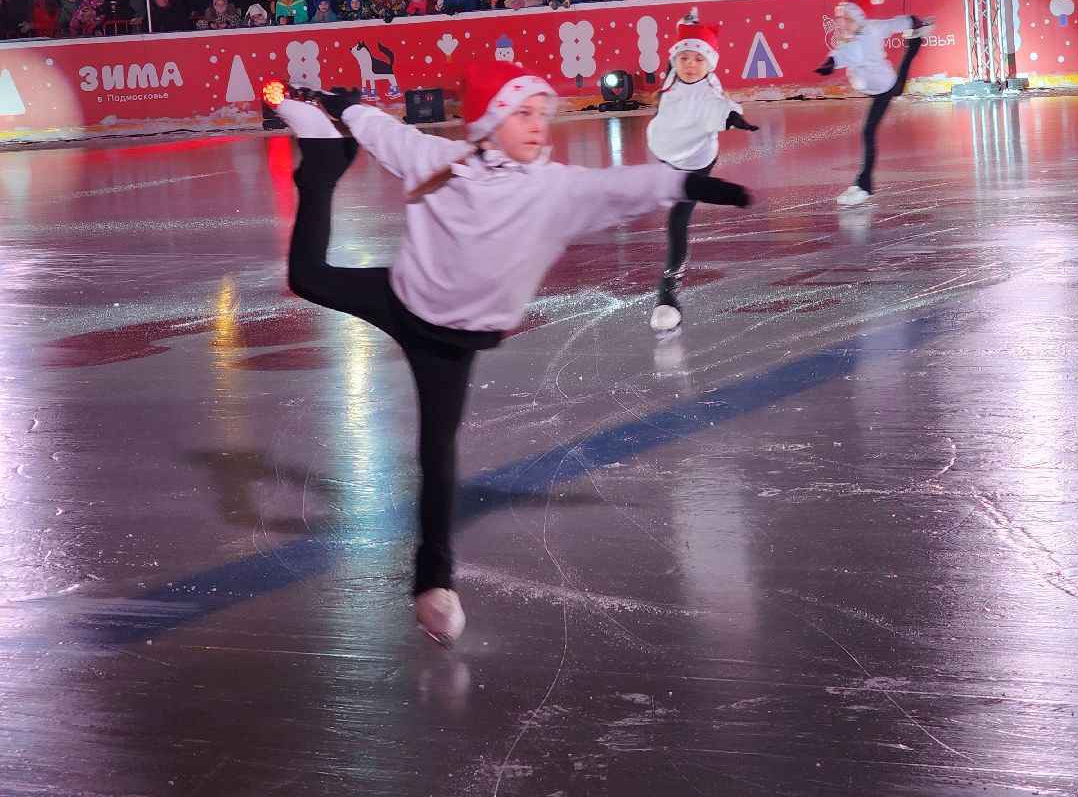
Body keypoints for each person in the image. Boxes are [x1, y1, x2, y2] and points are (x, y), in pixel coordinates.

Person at [266, 60, 752, 645]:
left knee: (436, 455)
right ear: (492, 118)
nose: (536, 125)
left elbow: (620, 187)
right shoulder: (437, 162)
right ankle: (322, 160)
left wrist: (688, 183)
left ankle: (433, 586)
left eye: (541, 114)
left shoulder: (552, 190)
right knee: (308, 275)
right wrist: (344, 108)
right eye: (522, 113)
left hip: (449, 340)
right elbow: (380, 129)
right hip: (401, 296)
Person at [644, 13, 758, 332]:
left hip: (695, 160)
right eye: (684, 58)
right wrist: (687, 24)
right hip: (667, 152)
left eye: (698, 59)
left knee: (676, 221)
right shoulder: (672, 76)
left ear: (710, 64)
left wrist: (734, 118)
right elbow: (673, 61)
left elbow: (720, 108)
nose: (690, 65)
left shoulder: (708, 94)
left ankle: (668, 297)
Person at [813, 0, 930, 207]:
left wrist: (830, 63)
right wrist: (911, 21)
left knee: (868, 134)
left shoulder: (859, 43)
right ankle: (917, 39)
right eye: (843, 19)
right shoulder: (872, 28)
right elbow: (893, 23)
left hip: (882, 89)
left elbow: (844, 54)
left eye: (848, 19)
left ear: (859, 18)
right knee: (899, 83)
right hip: (884, 84)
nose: (843, 23)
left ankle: (864, 186)